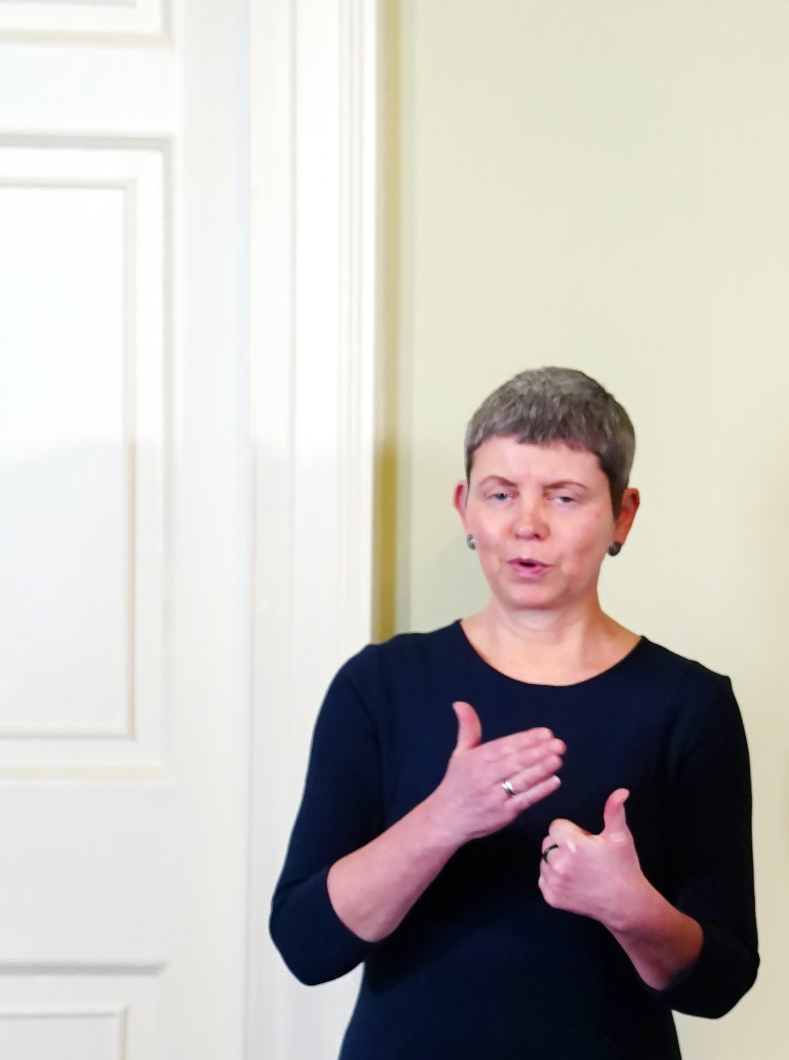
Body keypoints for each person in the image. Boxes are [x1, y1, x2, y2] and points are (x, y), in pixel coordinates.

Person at [270, 368, 756, 1058]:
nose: (527, 524)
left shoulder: (688, 703)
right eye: (501, 494)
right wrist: (444, 817)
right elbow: (306, 942)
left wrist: (630, 905)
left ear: (623, 514)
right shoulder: (380, 684)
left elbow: (722, 982)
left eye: (564, 496)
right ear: (466, 506)